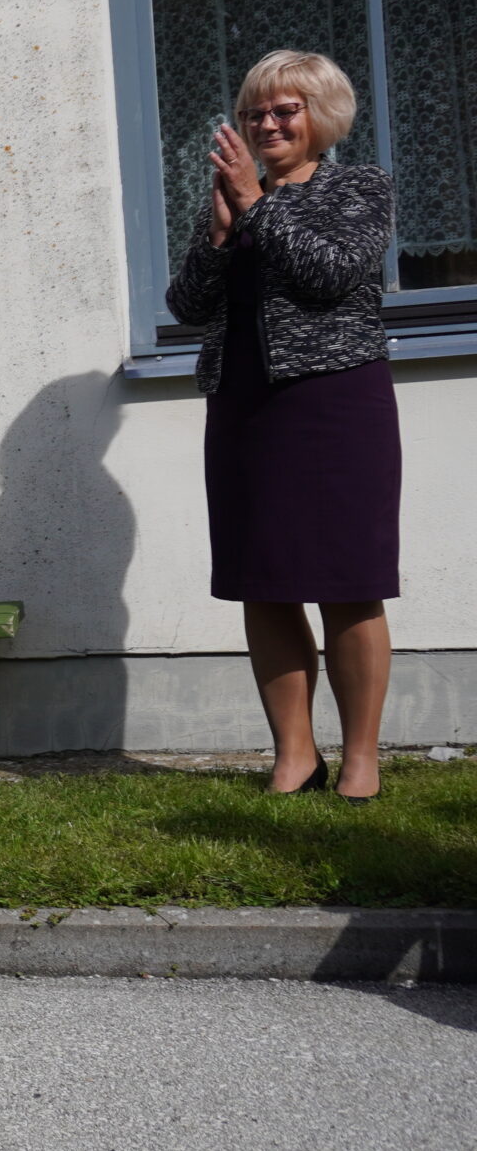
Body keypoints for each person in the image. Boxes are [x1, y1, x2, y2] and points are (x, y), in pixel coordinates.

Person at [166, 50, 398, 804]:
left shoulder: (358, 187)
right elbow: (188, 307)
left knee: (348, 582)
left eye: (284, 110)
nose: (266, 123)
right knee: (263, 584)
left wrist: (256, 208)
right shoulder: (236, 196)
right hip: (243, 406)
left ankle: (360, 761)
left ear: (320, 116)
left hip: (334, 405)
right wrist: (219, 237)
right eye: (254, 112)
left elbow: (333, 274)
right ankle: (294, 757)